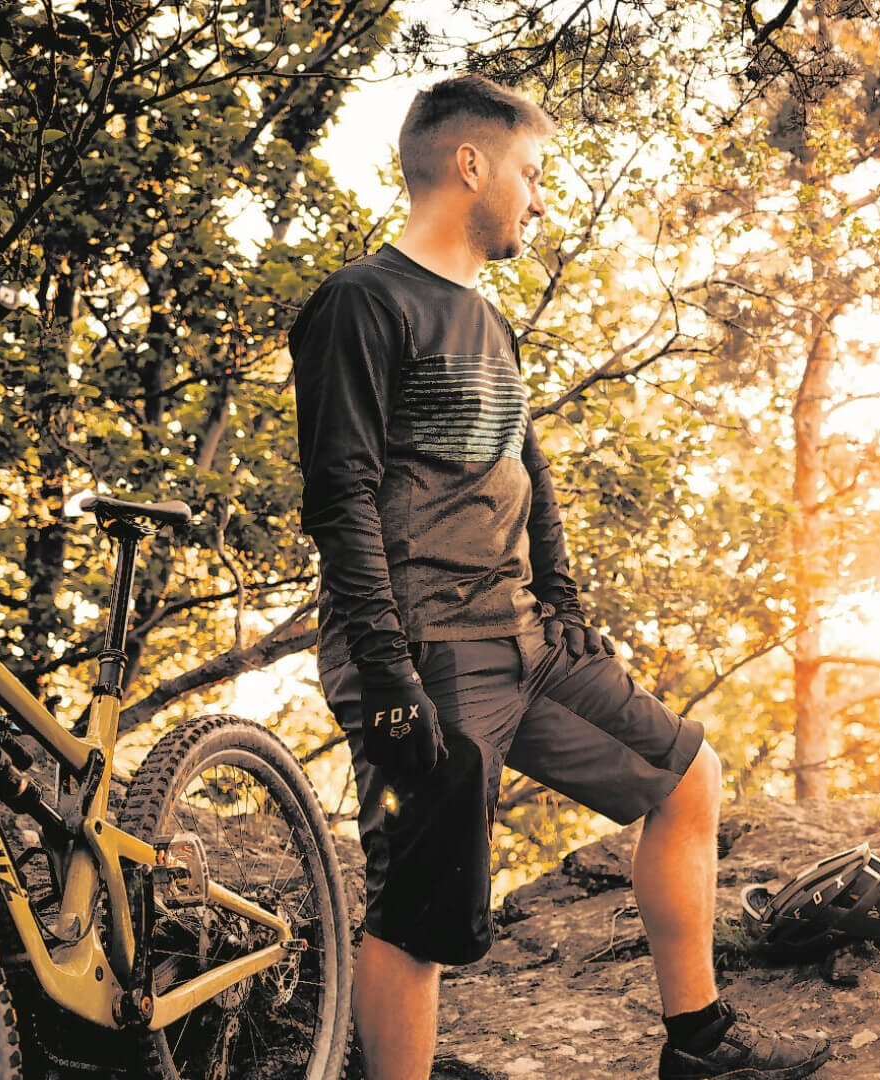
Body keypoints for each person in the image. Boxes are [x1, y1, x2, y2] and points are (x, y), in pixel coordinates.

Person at [289, 74, 832, 1080]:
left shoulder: (487, 319)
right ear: (470, 164)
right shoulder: (362, 302)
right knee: (421, 911)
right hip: (427, 652)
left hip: (528, 643)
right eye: (531, 174)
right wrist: (388, 673)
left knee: (688, 777)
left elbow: (527, 469)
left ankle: (699, 1044)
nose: (539, 200)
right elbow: (341, 496)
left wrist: (564, 599)